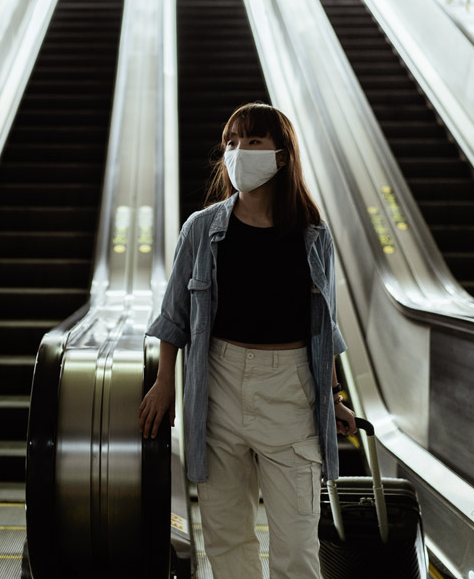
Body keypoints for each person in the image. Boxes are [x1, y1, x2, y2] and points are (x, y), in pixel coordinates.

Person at [139, 102, 356, 579]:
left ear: (281, 156)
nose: (238, 152)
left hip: (292, 389)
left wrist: (334, 396)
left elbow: (325, 324)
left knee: (297, 543)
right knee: (227, 538)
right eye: (231, 143)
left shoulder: (313, 235)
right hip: (217, 384)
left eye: (253, 142)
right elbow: (175, 314)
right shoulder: (201, 229)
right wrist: (163, 381)